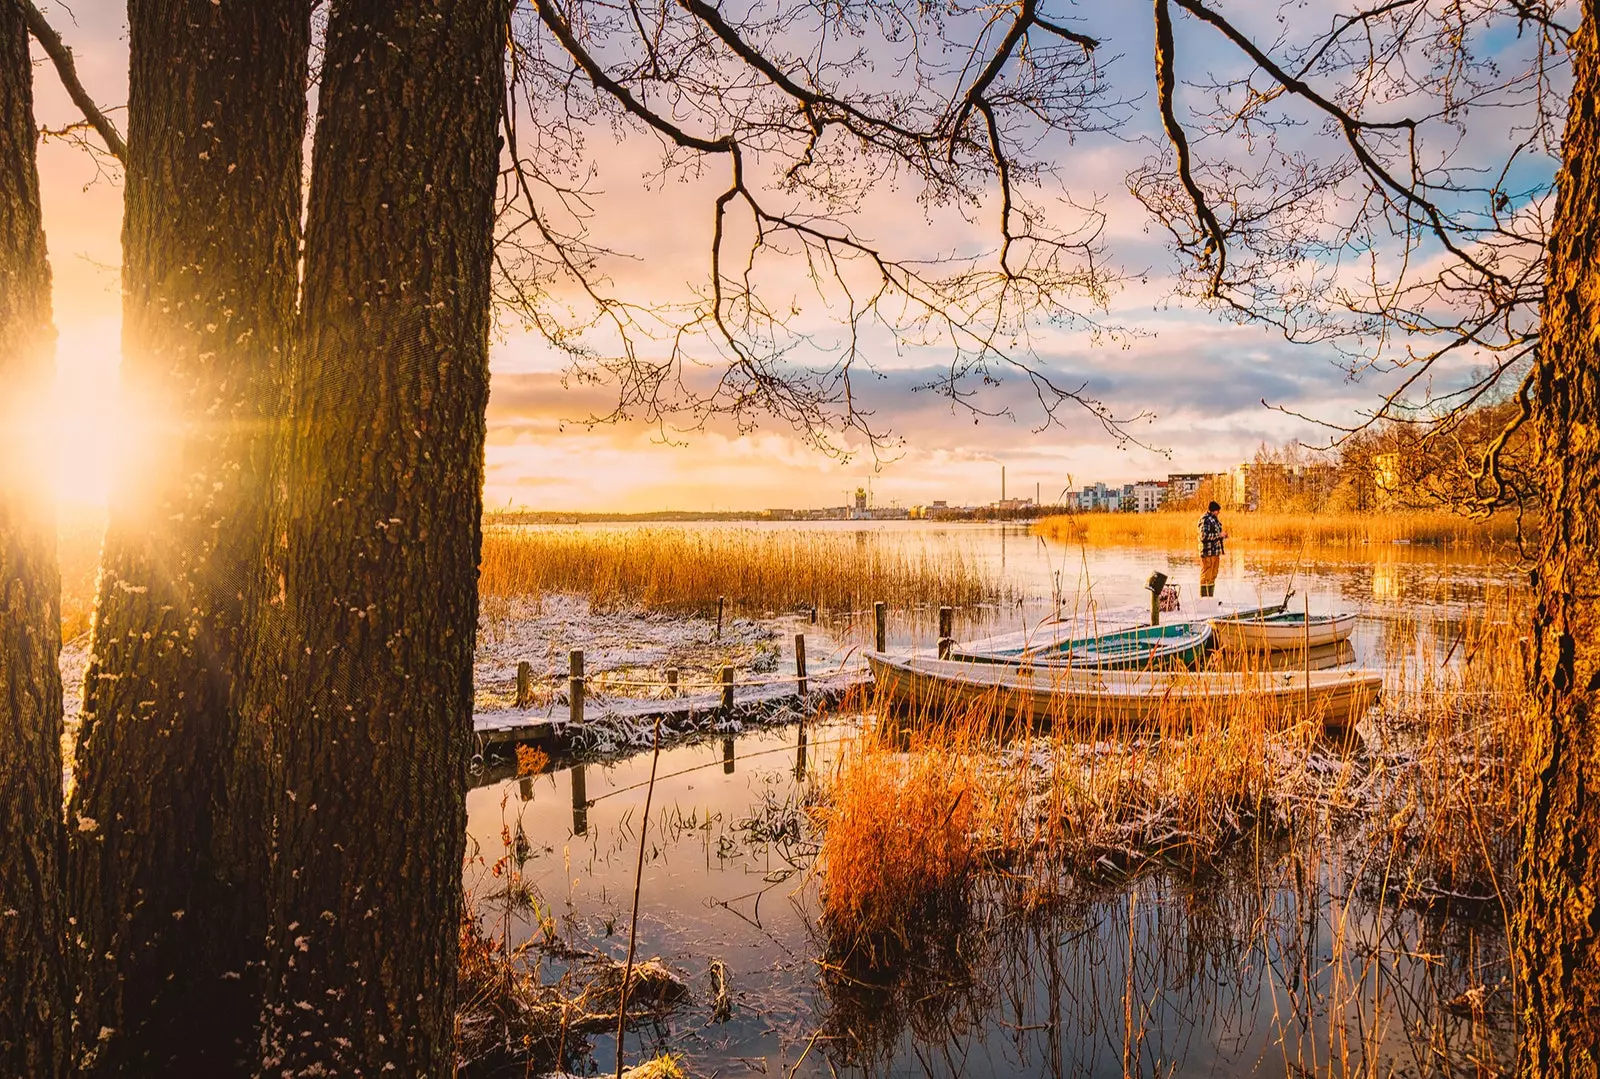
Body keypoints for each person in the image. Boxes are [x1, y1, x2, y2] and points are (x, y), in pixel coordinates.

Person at [1198, 501, 1226, 598]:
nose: (1219, 513)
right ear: (1213, 510)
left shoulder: (1214, 519)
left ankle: (1210, 599)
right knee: (1206, 576)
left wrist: (1222, 536)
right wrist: (1218, 535)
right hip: (1207, 553)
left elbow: (1215, 534)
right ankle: (1204, 600)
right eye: (1218, 511)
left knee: (1213, 575)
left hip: (1215, 553)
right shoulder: (1205, 519)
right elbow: (1203, 536)